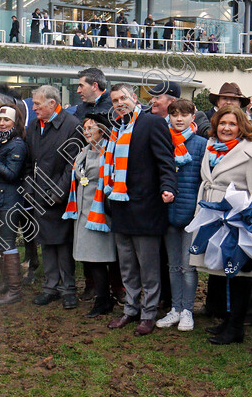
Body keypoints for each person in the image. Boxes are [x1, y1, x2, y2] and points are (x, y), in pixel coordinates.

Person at [105, 83, 177, 336]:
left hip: (146, 206)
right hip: (120, 206)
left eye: (123, 98)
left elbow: (165, 160)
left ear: (134, 98)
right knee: (126, 265)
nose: (119, 103)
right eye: (114, 100)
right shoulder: (117, 128)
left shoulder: (152, 123)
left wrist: (168, 187)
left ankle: (149, 313)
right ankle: (130, 309)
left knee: (149, 267)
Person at [192, 105, 252, 345]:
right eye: (222, 123)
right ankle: (227, 319)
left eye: (232, 124)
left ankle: (237, 326)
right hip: (212, 214)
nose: (226, 128)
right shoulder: (210, 148)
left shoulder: (251, 152)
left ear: (241, 126)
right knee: (221, 269)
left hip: (235, 218)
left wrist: (244, 218)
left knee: (239, 271)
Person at [25, 85, 82, 309]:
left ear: (52, 103)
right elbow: (30, 162)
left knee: (63, 244)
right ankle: (50, 287)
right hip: (39, 194)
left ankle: (68, 289)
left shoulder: (71, 126)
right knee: (47, 243)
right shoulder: (33, 126)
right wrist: (30, 189)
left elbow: (72, 164)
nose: (34, 108)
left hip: (61, 197)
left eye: (38, 104)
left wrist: (58, 192)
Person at [155, 99, 206, 332]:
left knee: (189, 266)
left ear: (192, 117)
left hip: (192, 214)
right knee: (173, 265)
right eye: (174, 114)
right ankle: (175, 308)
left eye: (184, 114)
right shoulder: (162, 141)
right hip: (167, 212)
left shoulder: (201, 144)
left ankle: (187, 310)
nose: (178, 118)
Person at [62, 112, 117, 318]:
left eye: (91, 128)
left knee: (98, 258)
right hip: (83, 213)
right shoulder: (84, 151)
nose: (86, 132)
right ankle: (103, 298)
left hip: (100, 214)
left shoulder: (108, 152)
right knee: (90, 259)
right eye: (84, 128)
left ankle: (104, 299)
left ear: (102, 130)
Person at [0, 106, 27, 305]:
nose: (1, 123)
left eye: (6, 120)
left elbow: (11, 174)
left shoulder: (17, 145)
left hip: (10, 201)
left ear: (14, 123)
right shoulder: (0, 141)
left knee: (8, 243)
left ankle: (15, 290)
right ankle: (6, 283)